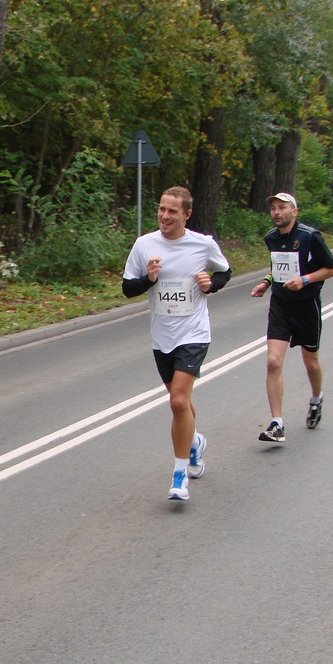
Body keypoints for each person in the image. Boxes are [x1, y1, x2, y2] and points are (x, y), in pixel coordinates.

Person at [122, 186, 232, 501]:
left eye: (173, 211)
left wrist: (211, 285)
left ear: (187, 214)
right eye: (162, 209)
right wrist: (150, 280)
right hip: (162, 336)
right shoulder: (144, 245)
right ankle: (194, 442)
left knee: (178, 402)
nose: (165, 216)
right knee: (179, 400)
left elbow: (224, 273)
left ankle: (179, 474)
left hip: (193, 332)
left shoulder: (202, 244)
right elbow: (128, 288)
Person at [250, 193, 333, 444]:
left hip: (306, 306)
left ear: (294, 212)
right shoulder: (271, 238)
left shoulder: (310, 236)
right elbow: (278, 266)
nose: (276, 212)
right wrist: (267, 282)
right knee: (273, 361)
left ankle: (316, 399)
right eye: (273, 209)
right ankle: (277, 423)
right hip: (280, 305)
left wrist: (306, 279)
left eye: (282, 208)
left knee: (311, 363)